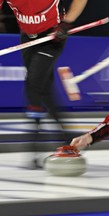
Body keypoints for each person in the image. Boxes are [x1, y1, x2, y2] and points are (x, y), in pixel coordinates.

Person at [0, 0, 88, 168]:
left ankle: (34, 148)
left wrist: (66, 23)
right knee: (44, 90)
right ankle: (69, 137)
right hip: (27, 37)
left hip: (53, 37)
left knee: (33, 84)